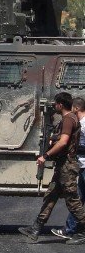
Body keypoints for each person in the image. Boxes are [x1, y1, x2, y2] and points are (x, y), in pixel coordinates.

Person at [19, 91, 85, 244]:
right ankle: (36, 228)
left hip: (67, 166)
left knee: (72, 200)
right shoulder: (70, 119)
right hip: (63, 165)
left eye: (56, 104)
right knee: (51, 196)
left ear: (60, 104)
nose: (54, 106)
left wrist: (46, 155)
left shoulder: (69, 119)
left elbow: (63, 142)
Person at [51, 96, 85, 240]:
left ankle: (70, 230)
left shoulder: (83, 124)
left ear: (76, 108)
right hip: (83, 165)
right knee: (79, 198)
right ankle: (70, 229)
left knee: (78, 198)